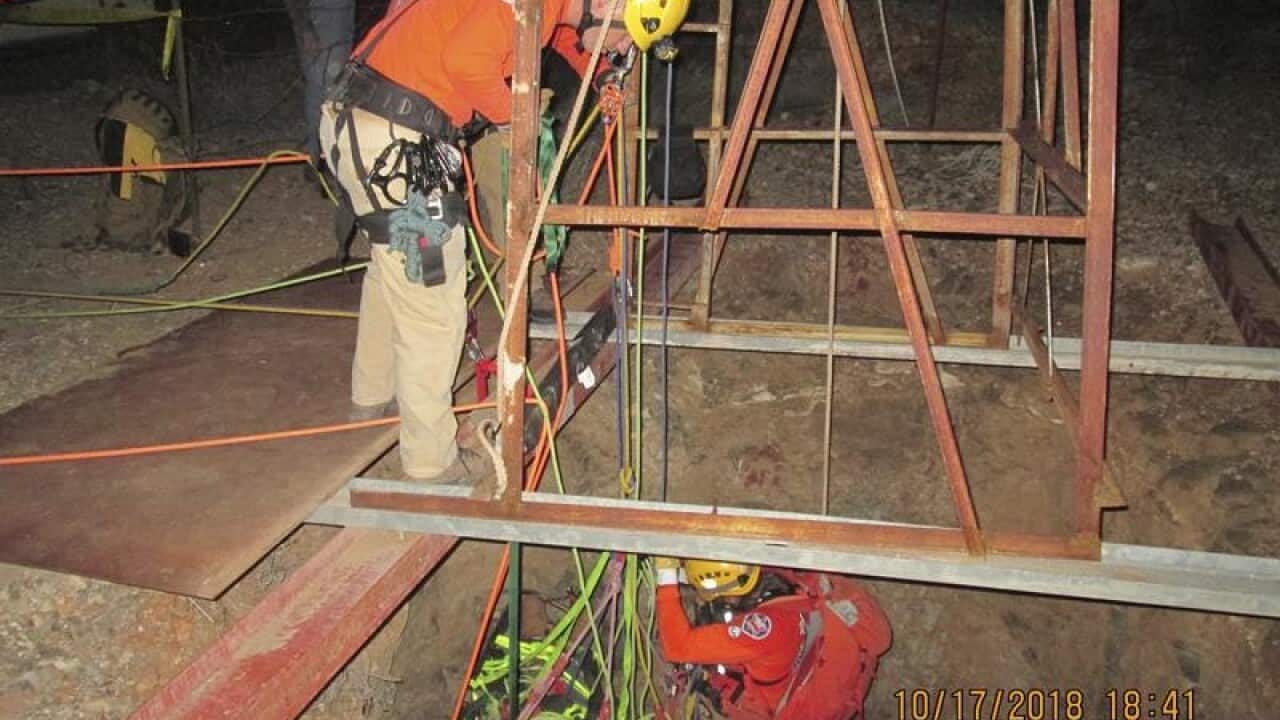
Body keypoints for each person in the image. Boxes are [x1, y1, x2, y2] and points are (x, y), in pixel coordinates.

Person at [317, 0, 689, 482]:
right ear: (604, 5)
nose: (622, 52)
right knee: (433, 302)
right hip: (397, 143)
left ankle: (370, 396)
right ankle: (429, 461)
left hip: (363, 123)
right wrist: (518, 119)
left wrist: (599, 76)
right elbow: (466, 63)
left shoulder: (550, 6)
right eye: (624, 41)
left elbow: (559, 37)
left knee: (395, 264)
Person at [654, 558, 893, 720]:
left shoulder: (762, 631)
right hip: (803, 674)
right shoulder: (789, 585)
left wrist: (666, 576)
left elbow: (677, 647)